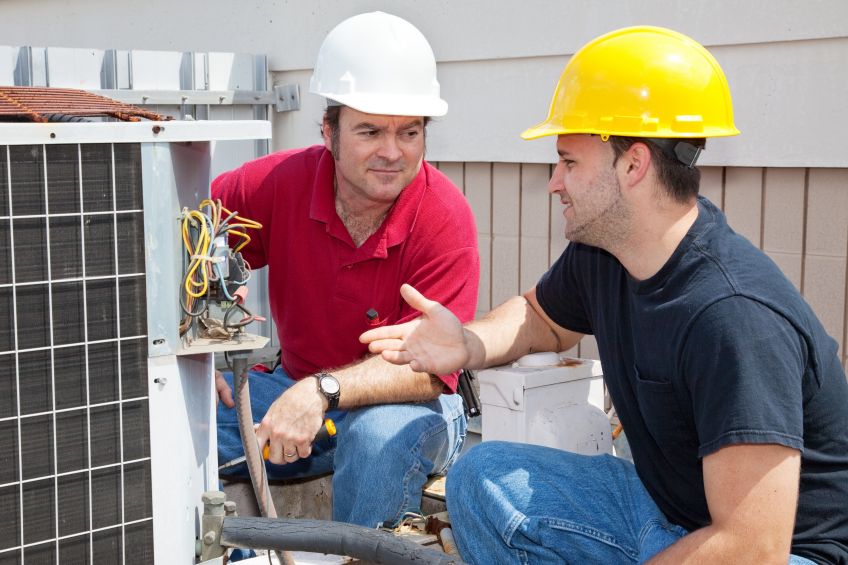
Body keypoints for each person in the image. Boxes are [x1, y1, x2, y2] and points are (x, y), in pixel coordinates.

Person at [361, 26, 848, 564]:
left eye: (569, 161)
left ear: (633, 165)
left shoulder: (733, 318)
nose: (554, 181)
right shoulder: (608, 253)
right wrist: (468, 345)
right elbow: (540, 317)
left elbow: (751, 547)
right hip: (669, 510)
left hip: (784, 554)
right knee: (481, 475)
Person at [213, 11, 479, 529]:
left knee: (378, 438)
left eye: (409, 132)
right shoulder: (279, 184)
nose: (391, 152)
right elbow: (183, 236)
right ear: (329, 133)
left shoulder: (445, 217)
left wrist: (320, 393)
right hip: (291, 386)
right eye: (370, 131)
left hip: (407, 404)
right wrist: (194, 352)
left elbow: (427, 373)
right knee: (182, 415)